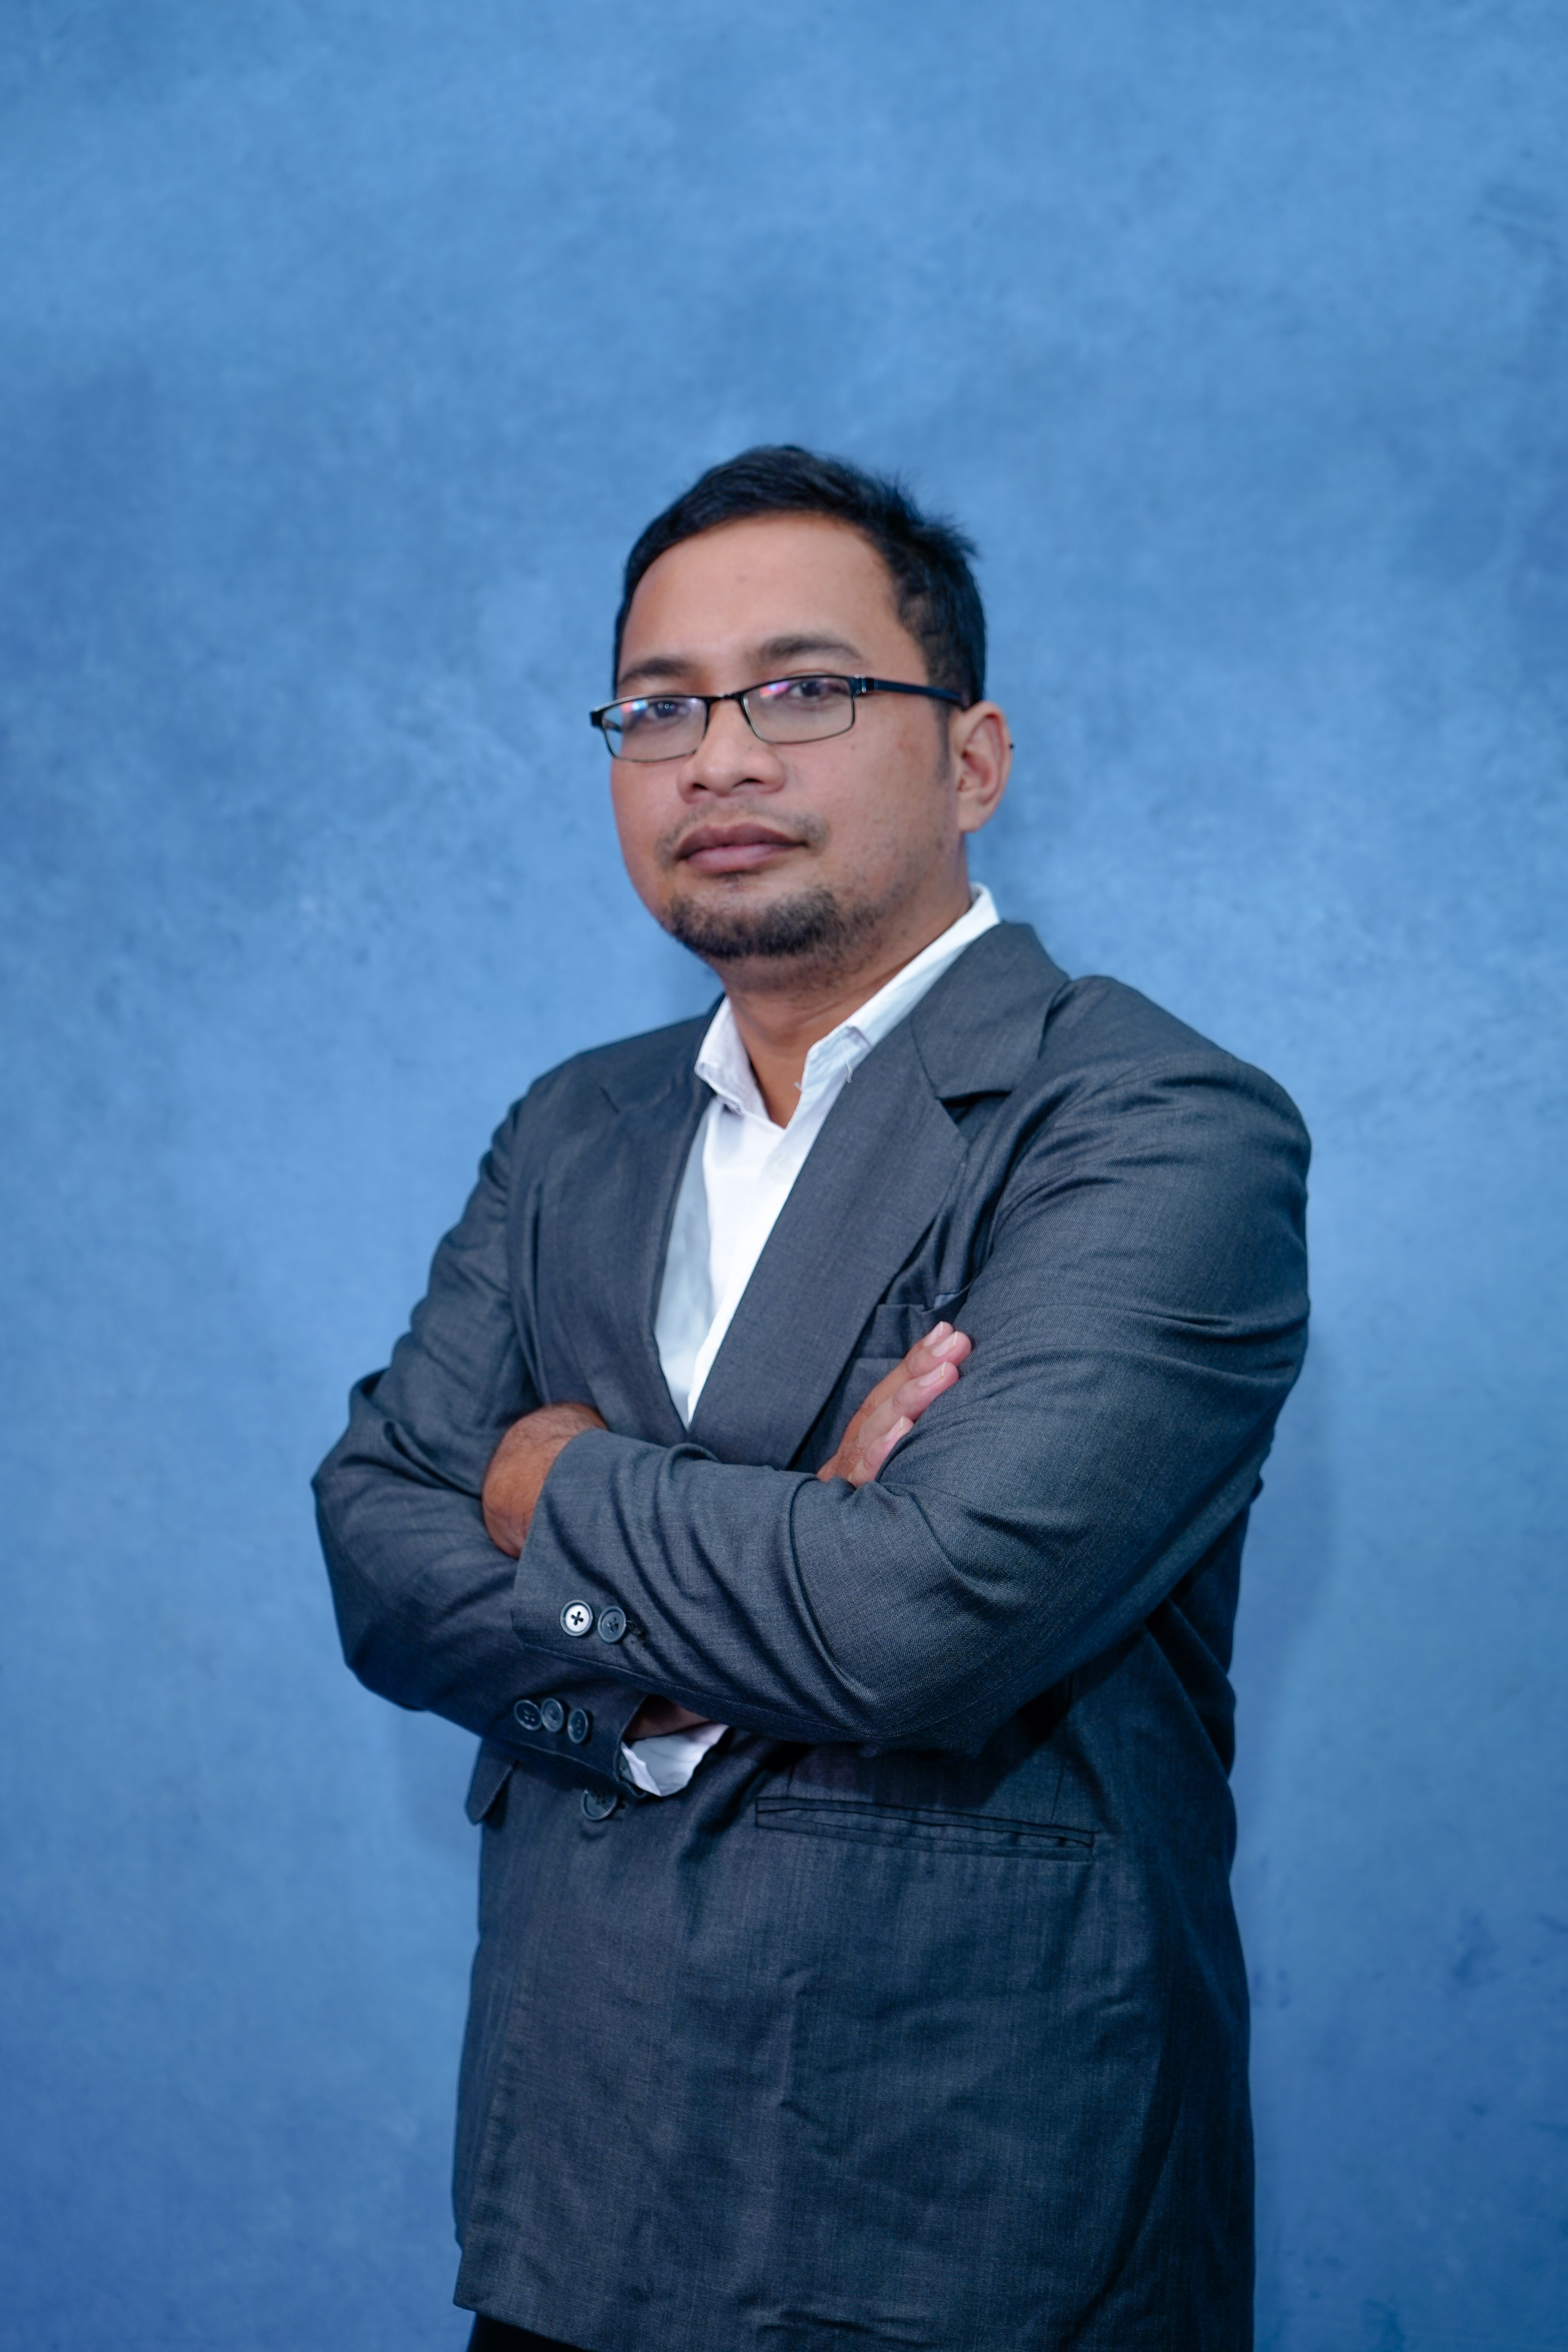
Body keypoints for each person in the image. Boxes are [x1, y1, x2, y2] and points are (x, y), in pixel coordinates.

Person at [313, 445, 1310, 2352]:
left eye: (803, 690)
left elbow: (911, 1620)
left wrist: (551, 1479)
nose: (719, 760)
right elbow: (372, 1553)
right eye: (659, 708)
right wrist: (767, 1570)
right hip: (571, 2193)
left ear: (973, 758)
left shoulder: (1153, 1125)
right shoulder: (571, 1127)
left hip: (974, 2208)